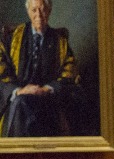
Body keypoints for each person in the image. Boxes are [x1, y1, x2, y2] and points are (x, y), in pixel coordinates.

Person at [0, 0, 81, 137]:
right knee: (21, 103)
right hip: (18, 96)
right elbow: (2, 69)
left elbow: (69, 73)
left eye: (42, 10)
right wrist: (19, 90)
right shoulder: (13, 37)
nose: (39, 15)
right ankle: (18, 155)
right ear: (28, 12)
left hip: (47, 98)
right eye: (34, 10)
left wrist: (47, 88)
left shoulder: (60, 41)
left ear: (49, 11)